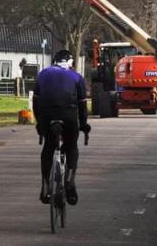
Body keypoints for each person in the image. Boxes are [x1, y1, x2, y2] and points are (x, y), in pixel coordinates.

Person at [33, 49, 91, 206]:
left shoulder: (43, 74)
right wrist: (84, 124)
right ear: (70, 63)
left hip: (46, 114)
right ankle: (70, 180)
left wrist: (39, 123)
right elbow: (82, 105)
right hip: (68, 114)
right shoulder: (77, 77)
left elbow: (36, 102)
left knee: (49, 145)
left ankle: (45, 183)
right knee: (71, 146)